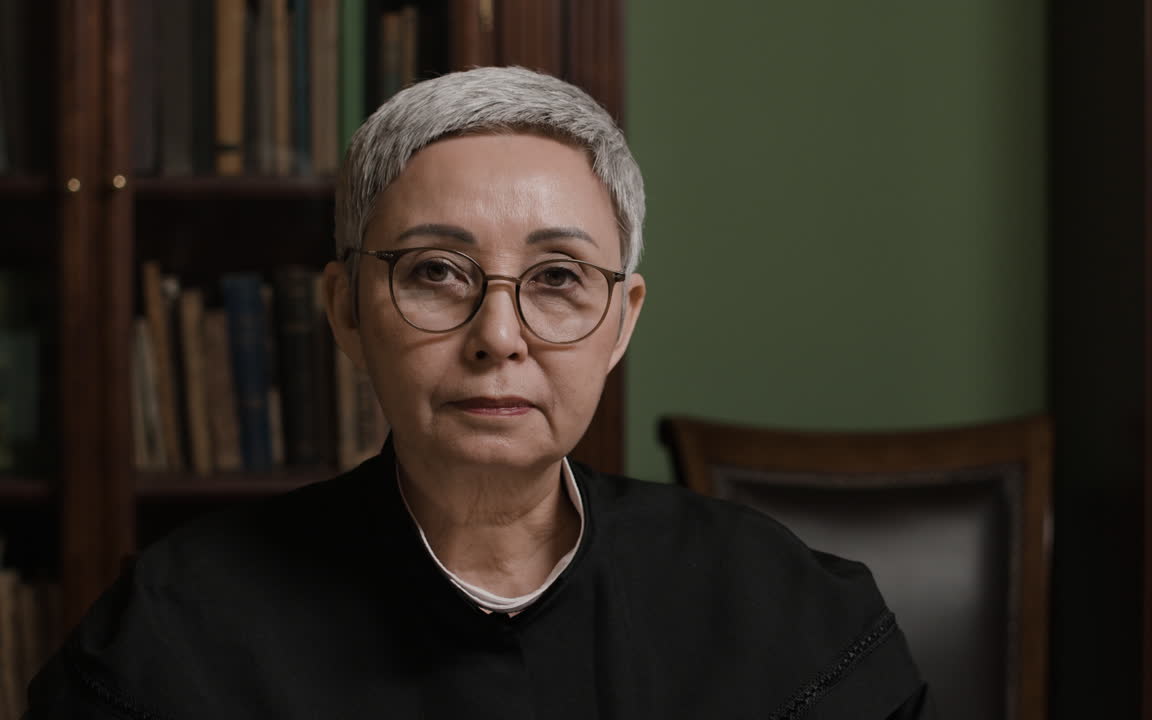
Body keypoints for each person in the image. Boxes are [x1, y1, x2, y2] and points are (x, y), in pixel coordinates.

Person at [26, 66, 933, 719]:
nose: (498, 337)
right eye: (435, 272)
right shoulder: (177, 630)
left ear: (622, 320)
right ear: (345, 310)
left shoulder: (785, 610)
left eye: (557, 278)